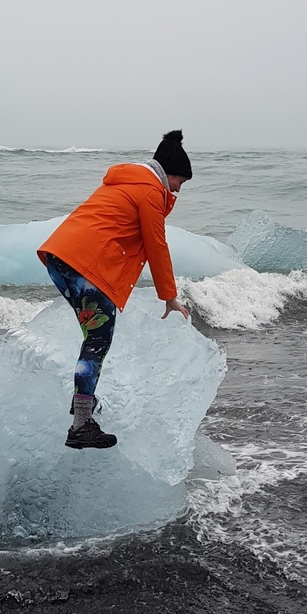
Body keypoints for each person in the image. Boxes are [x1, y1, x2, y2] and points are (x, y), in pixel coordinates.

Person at [37, 130, 192, 449]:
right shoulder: (150, 190)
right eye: (180, 181)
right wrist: (169, 297)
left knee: (93, 336)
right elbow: (156, 244)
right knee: (97, 338)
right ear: (171, 172)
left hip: (60, 258)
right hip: (85, 264)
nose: (178, 189)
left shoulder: (127, 182)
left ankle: (83, 400)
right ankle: (81, 425)